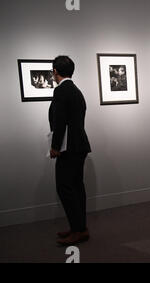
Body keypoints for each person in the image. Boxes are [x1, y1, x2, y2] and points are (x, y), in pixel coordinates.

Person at [49, 56, 92, 246]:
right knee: (76, 187)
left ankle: (78, 229)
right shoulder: (76, 91)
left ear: (55, 72)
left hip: (68, 148)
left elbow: (60, 123)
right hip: (80, 145)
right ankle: (80, 228)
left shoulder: (61, 91)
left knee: (64, 187)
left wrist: (55, 147)